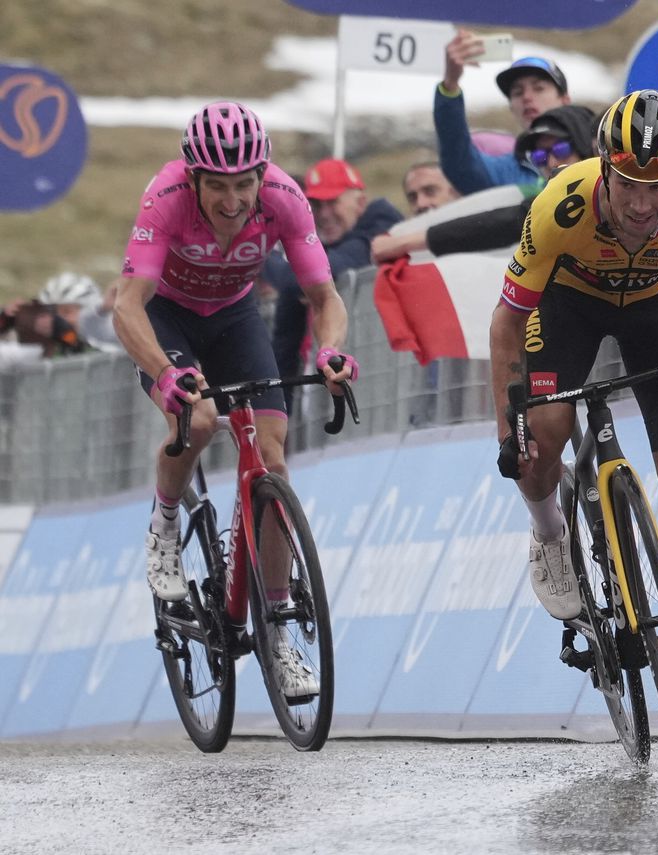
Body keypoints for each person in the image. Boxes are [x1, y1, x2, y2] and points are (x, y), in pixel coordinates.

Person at [489, 90, 658, 721]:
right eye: (627, 182)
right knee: (542, 435)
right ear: (604, 167)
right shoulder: (559, 206)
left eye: (656, 187)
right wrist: (508, 427)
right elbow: (506, 322)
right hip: (568, 300)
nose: (639, 202)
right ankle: (550, 532)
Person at [113, 101, 356, 698]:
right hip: (166, 318)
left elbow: (324, 296)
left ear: (262, 175)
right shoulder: (165, 197)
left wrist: (329, 353)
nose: (232, 200)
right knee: (194, 419)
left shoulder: (284, 198)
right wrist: (166, 373)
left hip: (233, 317)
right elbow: (127, 305)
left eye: (243, 184)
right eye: (217, 186)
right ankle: (165, 523)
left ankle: (276, 631)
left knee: (271, 460)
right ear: (193, 177)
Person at [372, 105, 596, 264]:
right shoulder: (549, 206)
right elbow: (496, 226)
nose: (551, 162)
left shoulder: (612, 191)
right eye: (539, 156)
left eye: (561, 150)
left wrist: (404, 243)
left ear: (590, 148)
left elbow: (501, 222)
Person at [267, 157, 401, 413]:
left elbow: (293, 280)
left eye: (333, 202)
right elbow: (284, 346)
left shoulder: (380, 225)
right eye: (316, 204)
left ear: (360, 202)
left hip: (388, 391)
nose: (324, 214)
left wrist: (262, 253)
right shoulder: (323, 242)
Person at [435, 34, 571, 194]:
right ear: (512, 108)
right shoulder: (506, 171)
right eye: (518, 92)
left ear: (565, 100)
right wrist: (450, 85)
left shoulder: (594, 147)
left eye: (539, 88)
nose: (527, 97)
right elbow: (460, 165)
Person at [38, 271, 123, 353]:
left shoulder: (112, 340)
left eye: (67, 312)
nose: (58, 319)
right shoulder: (44, 347)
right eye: (53, 313)